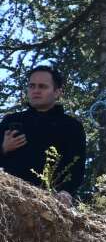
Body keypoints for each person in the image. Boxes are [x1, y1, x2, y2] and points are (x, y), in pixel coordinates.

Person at [0, 64, 86, 206]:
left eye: (42, 86)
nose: (36, 91)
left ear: (57, 92)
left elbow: (77, 167)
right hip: (8, 197)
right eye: (32, 86)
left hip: (50, 200)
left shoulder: (71, 126)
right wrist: (3, 148)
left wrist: (66, 192)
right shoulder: (11, 121)